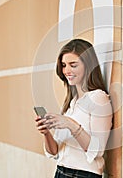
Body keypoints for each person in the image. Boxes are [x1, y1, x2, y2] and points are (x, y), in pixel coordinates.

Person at [35, 38, 113, 178]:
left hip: (82, 175)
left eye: (73, 65)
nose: (66, 70)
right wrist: (46, 133)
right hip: (61, 172)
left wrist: (70, 124)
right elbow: (55, 152)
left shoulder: (98, 98)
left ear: (88, 65)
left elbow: (97, 150)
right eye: (64, 65)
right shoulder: (72, 103)